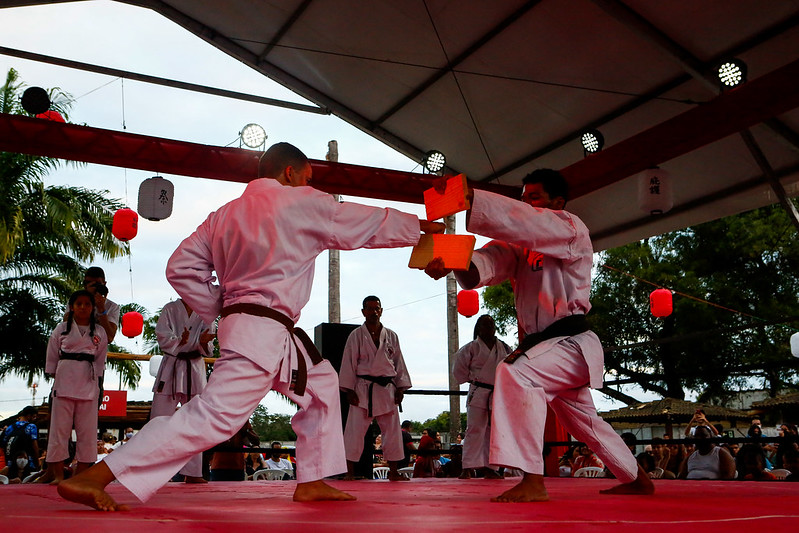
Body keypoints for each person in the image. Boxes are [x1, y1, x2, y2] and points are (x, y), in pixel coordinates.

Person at [58, 141, 444, 510]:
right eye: (308, 178)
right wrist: (418, 228)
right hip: (262, 330)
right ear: (290, 173)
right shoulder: (303, 202)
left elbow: (179, 268)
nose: (311, 186)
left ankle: (311, 480)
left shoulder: (223, 215)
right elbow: (363, 222)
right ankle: (98, 475)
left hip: (261, 328)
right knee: (213, 417)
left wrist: (222, 306)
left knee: (322, 386)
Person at [424, 169, 654, 502]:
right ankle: (637, 478)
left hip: (570, 342)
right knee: (586, 422)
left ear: (558, 202)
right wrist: (452, 258)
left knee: (514, 374)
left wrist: (472, 198)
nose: (526, 204)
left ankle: (531, 479)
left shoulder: (570, 227)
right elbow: (488, 262)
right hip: (547, 348)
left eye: (535, 197)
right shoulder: (520, 244)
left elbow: (526, 222)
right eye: (524, 198)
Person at [339, 296, 412, 482]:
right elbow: (349, 363)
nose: (373, 311)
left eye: (377, 308)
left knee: (393, 432)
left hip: (387, 388)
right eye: (369, 308)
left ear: (381, 310)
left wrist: (401, 387)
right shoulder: (356, 335)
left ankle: (394, 472)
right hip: (362, 388)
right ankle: (349, 472)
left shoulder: (391, 336)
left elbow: (398, 363)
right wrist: (349, 390)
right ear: (363, 311)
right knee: (354, 432)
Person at [42, 290, 108, 485]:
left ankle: (80, 476)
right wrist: (56, 374)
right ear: (71, 307)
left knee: (87, 431)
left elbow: (100, 360)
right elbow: (52, 356)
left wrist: (96, 380)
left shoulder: (99, 332)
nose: (82, 307)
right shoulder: (61, 329)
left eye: (87, 304)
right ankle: (58, 475)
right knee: (59, 430)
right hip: (64, 382)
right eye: (78, 303)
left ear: (92, 308)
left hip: (88, 382)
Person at [150, 298, 216, 484]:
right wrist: (182, 341)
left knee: (194, 420)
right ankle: (152, 471)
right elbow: (163, 337)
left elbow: (208, 347)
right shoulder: (170, 309)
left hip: (193, 367)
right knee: (158, 419)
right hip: (171, 365)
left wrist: (202, 342)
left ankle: (193, 472)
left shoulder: (205, 311)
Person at [452, 314, 509, 479]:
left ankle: (490, 467)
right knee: (474, 429)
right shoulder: (470, 348)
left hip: (496, 393)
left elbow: (512, 366)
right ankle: (468, 466)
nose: (489, 328)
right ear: (478, 328)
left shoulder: (504, 348)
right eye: (485, 325)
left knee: (492, 431)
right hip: (478, 391)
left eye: (491, 324)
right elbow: (459, 372)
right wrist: (471, 378)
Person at [1, 406, 40, 477]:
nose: (35, 419)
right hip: (28, 462)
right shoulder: (31, 426)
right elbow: (35, 445)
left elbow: (4, 444)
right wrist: (37, 462)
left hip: (11, 463)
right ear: (28, 416)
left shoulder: (10, 427)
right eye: (34, 417)